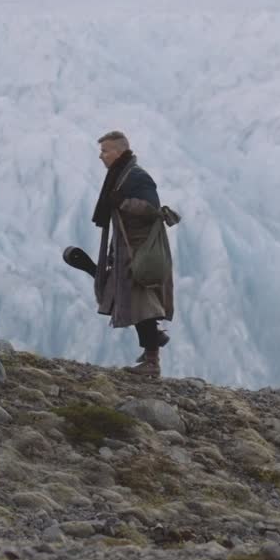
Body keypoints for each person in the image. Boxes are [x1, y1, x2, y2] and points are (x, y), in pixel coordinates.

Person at [90, 130, 174, 377]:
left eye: (105, 151)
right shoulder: (120, 176)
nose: (101, 156)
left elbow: (151, 209)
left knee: (142, 304)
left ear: (119, 151)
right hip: (128, 249)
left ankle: (152, 360)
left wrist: (122, 202)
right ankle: (152, 344)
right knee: (134, 302)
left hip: (140, 251)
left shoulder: (137, 177)